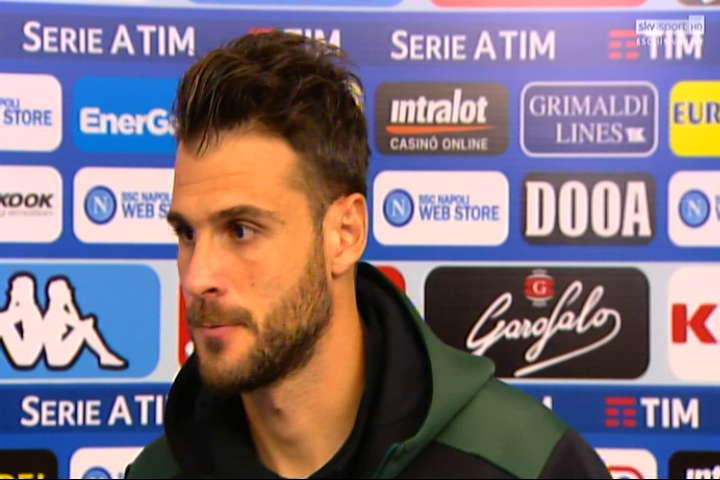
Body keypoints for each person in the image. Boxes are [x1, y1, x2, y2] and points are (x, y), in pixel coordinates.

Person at [125, 31, 612, 479]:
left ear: (345, 233)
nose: (197, 277)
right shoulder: (157, 475)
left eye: (241, 230)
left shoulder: (527, 465)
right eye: (187, 234)